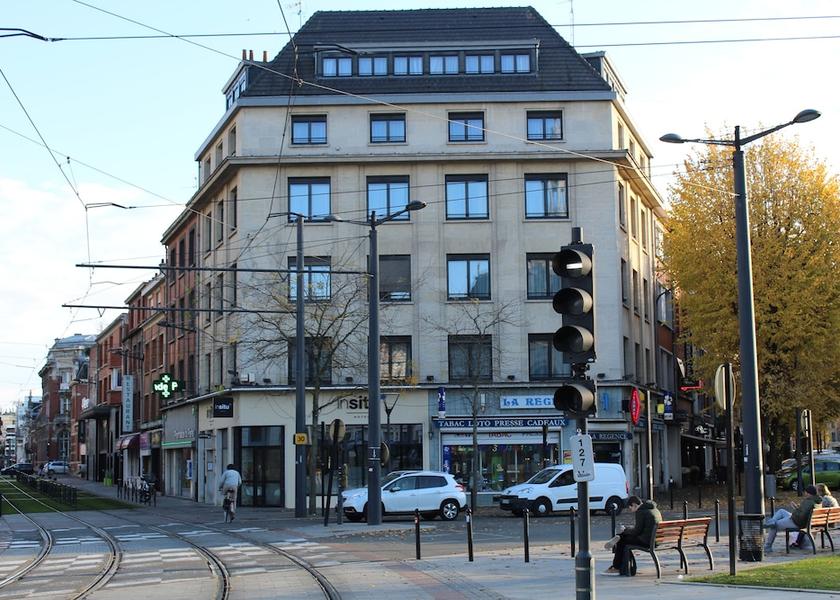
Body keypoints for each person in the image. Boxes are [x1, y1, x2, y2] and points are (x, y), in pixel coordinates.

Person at [604, 496, 662, 575]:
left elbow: (636, 532)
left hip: (647, 541)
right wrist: (628, 529)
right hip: (657, 540)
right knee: (624, 538)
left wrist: (625, 530)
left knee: (622, 541)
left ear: (634, 504)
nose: (630, 510)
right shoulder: (655, 509)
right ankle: (620, 537)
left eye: (630, 507)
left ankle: (616, 567)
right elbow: (643, 528)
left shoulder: (640, 511)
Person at [765, 484, 821, 552]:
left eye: (806, 492)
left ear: (808, 493)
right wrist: (797, 508)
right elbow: (804, 512)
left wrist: (794, 512)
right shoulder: (817, 501)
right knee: (781, 511)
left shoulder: (809, 502)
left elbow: (801, 516)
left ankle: (767, 546)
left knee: (774, 526)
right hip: (802, 521)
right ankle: (771, 521)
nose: (805, 494)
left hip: (797, 522)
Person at [791, 483, 838, 548]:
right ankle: (801, 542)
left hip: (826, 522)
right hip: (831, 521)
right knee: (809, 521)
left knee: (805, 522)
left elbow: (815, 511)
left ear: (820, 491)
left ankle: (798, 543)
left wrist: (798, 509)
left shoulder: (823, 499)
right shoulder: (831, 498)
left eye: (815, 490)